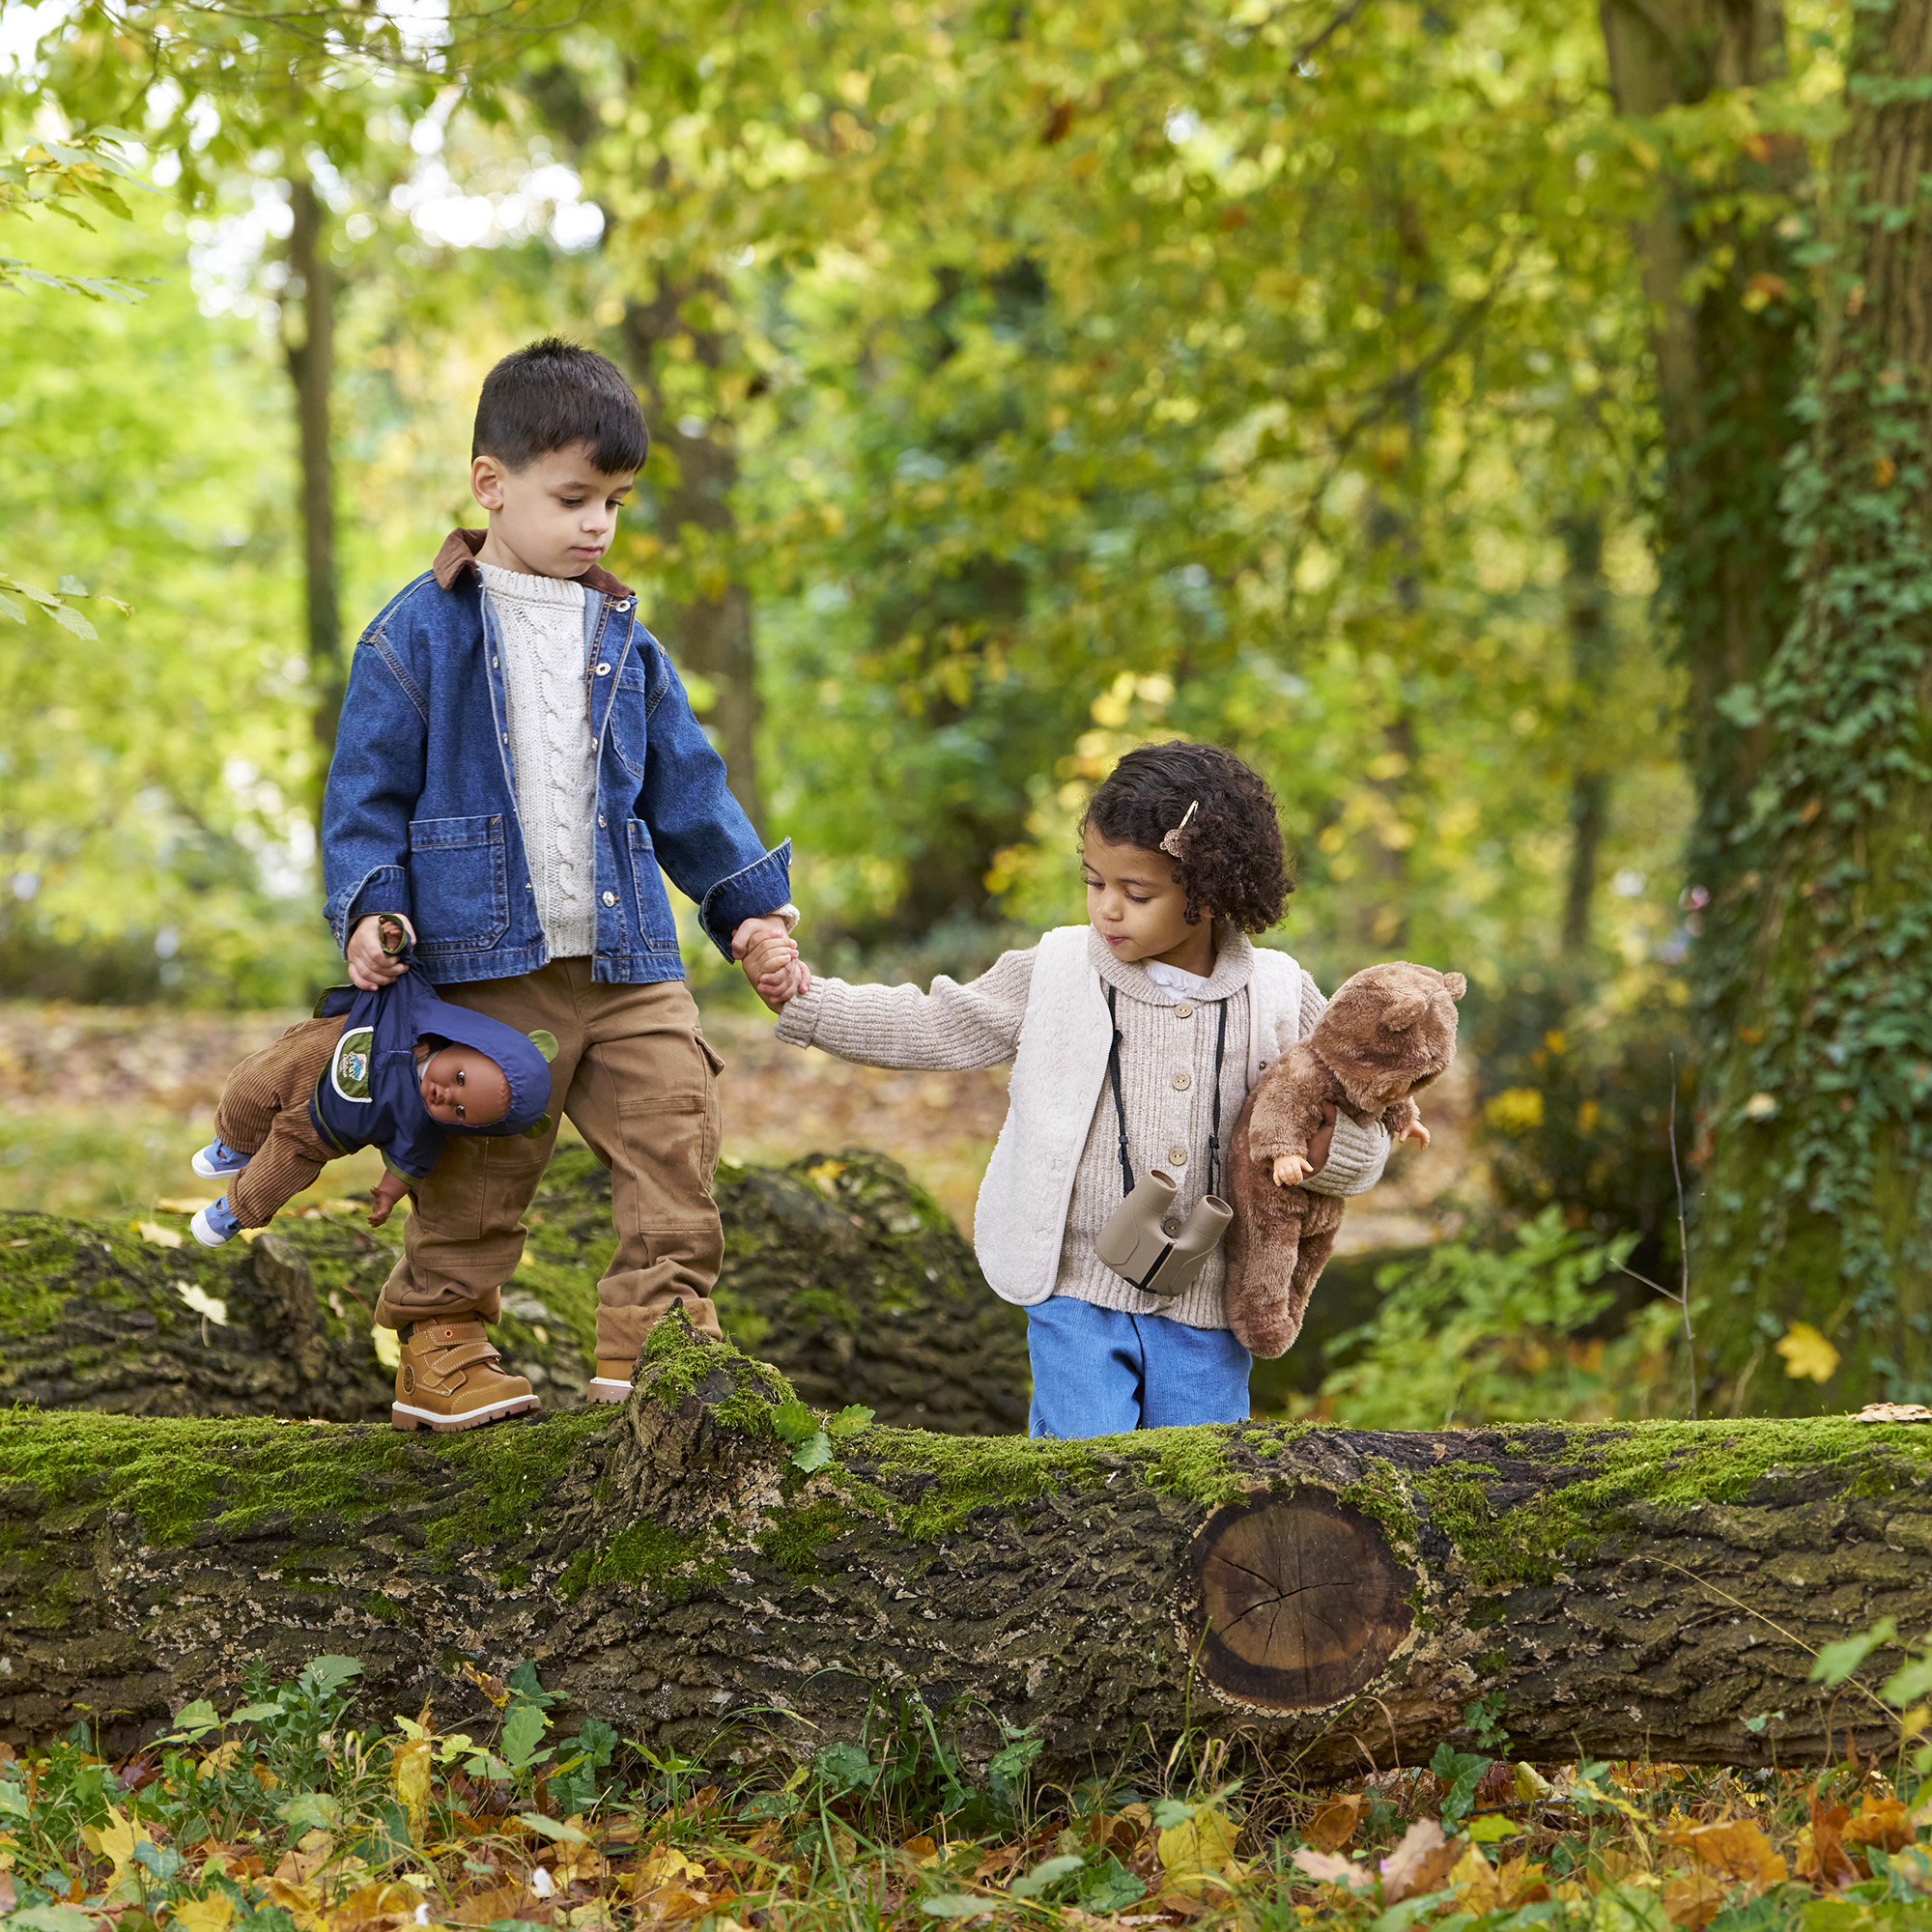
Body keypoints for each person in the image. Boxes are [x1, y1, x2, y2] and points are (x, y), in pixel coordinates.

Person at [321, 337, 805, 1432]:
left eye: (615, 503)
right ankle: (442, 1341)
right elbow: (364, 800)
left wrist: (749, 913)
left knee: (675, 1133)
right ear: (491, 484)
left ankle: (660, 1345)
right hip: (487, 964)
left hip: (628, 957)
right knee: (482, 1162)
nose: (596, 525)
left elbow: (688, 792)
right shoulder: (415, 636)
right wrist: (370, 906)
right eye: (573, 496)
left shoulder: (625, 642)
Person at [749, 741, 1391, 1437]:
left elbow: (1361, 1110)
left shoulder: (1278, 992)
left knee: (1202, 1480)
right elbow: (935, 1022)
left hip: (1210, 1301)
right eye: (1095, 883)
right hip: (1076, 1284)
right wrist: (809, 1003)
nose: (1108, 910)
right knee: (1079, 1476)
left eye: (1136, 893)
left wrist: (1337, 1151)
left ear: (1208, 893)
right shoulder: (1058, 969)